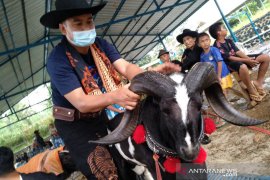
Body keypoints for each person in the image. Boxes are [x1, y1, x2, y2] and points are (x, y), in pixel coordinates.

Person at [40, 0, 180, 179]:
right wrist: (115, 96)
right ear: (63, 28)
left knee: (141, 148)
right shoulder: (57, 59)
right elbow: (82, 102)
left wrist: (148, 76)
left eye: (89, 21)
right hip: (76, 124)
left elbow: (126, 67)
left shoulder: (101, 45)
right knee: (105, 170)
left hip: (105, 112)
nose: (85, 27)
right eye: (78, 23)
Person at [209, 22, 270, 102]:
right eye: (223, 28)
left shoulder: (229, 41)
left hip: (241, 59)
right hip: (231, 64)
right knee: (243, 67)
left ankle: (258, 82)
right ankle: (250, 89)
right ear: (219, 33)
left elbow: (237, 52)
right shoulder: (216, 46)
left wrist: (249, 59)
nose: (225, 29)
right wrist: (247, 61)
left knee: (265, 57)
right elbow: (230, 58)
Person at [176, 29, 211, 144]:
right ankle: (201, 129)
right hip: (192, 80)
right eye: (184, 40)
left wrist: (182, 66)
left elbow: (186, 64)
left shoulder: (199, 48)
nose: (186, 42)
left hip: (204, 77)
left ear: (194, 39)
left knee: (201, 102)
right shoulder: (186, 52)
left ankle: (209, 124)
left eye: (188, 39)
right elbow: (183, 65)